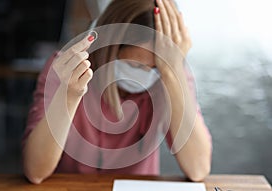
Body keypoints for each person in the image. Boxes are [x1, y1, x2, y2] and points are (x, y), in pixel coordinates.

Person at [22, 0, 212, 184]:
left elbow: (198, 168)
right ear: (108, 46)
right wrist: (69, 95)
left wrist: (172, 71)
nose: (144, 75)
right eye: (133, 65)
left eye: (154, 68)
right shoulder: (65, 70)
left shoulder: (171, 74)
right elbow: (35, 172)